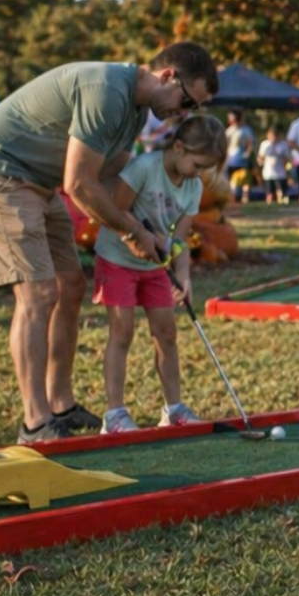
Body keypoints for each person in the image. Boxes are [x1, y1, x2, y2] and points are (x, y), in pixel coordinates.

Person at [0, 42, 218, 443]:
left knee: (71, 286)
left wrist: (152, 229)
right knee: (39, 294)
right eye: (186, 102)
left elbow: (110, 180)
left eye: (193, 109)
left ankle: (60, 402)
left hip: (38, 184)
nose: (184, 115)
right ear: (168, 76)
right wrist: (132, 233)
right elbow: (78, 184)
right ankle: (35, 422)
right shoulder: (108, 91)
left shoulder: (133, 112)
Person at [94, 115, 223, 434]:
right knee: (121, 332)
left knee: (166, 334)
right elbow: (115, 210)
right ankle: (115, 415)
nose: (199, 173)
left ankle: (174, 409)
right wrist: (140, 236)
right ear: (178, 147)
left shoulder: (192, 187)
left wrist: (184, 276)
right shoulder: (144, 168)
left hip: (155, 266)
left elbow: (179, 239)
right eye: (197, 164)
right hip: (117, 258)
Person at [223, 111, 255, 202]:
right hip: (231, 160)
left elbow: (250, 143)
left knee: (245, 179)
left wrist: (247, 153)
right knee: (231, 179)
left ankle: (245, 197)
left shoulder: (245, 130)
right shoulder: (229, 130)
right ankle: (233, 198)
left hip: (242, 159)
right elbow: (225, 144)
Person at [257, 126, 292, 204]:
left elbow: (287, 159)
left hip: (280, 173)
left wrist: (287, 169)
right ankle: (269, 206)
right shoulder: (264, 145)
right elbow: (260, 158)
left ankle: (281, 206)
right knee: (269, 193)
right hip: (268, 173)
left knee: (281, 192)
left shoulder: (283, 145)